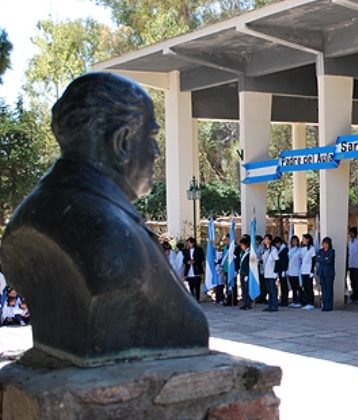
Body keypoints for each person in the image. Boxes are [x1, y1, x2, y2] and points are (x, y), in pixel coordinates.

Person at [0, 73, 209, 364]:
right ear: (122, 141)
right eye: (150, 136)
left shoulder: (31, 215)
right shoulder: (110, 236)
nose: (156, 151)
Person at [183, 237, 205, 302]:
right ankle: (192, 298)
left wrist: (194, 261)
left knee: (197, 286)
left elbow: (202, 258)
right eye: (187, 243)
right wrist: (187, 261)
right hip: (189, 271)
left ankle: (197, 299)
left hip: (196, 270)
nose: (188, 244)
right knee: (191, 286)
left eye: (189, 243)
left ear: (193, 243)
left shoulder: (199, 249)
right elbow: (184, 259)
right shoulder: (185, 251)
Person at [317, 237, 336, 312]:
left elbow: (329, 261)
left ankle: (329, 306)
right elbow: (318, 259)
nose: (325, 245)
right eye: (323, 243)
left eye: (326, 243)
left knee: (329, 290)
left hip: (329, 273)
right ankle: (324, 305)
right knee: (324, 290)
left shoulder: (332, 251)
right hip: (321, 272)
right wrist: (324, 258)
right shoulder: (320, 251)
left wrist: (323, 259)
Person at [262, 234, 279, 312]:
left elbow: (277, 261)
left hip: (272, 273)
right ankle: (270, 305)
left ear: (270, 240)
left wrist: (276, 272)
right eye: (264, 239)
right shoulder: (266, 250)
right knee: (269, 290)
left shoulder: (274, 250)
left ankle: (274, 306)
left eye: (266, 239)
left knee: (273, 290)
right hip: (266, 273)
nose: (265, 240)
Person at [347, 227, 358, 304]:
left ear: (355, 234)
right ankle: (355, 294)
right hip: (351, 265)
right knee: (352, 281)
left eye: (351, 233)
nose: (350, 235)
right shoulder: (350, 242)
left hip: (357, 265)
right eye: (349, 233)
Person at [300, 234, 316, 310]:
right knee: (305, 287)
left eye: (304, 239)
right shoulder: (303, 249)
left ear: (308, 240)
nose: (302, 240)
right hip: (303, 270)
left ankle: (311, 302)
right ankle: (306, 301)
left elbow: (313, 260)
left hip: (308, 271)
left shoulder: (312, 249)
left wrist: (312, 271)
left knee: (309, 287)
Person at [287, 235, 303, 308]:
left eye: (295, 241)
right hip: (291, 271)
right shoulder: (290, 250)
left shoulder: (300, 250)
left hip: (297, 271)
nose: (294, 242)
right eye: (293, 241)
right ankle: (294, 300)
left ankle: (299, 301)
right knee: (293, 287)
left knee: (298, 287)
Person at [273, 237, 289, 307]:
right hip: (280, 270)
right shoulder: (280, 250)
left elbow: (285, 261)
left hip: (283, 270)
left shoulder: (284, 250)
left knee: (284, 286)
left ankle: (285, 300)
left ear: (279, 243)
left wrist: (284, 270)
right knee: (282, 285)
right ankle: (283, 300)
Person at [238, 237, 252, 310]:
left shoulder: (249, 253)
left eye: (242, 245)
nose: (241, 246)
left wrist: (247, 274)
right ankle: (244, 302)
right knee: (243, 288)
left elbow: (250, 265)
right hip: (242, 272)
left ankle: (248, 303)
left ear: (245, 245)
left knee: (247, 289)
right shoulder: (243, 253)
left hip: (247, 273)